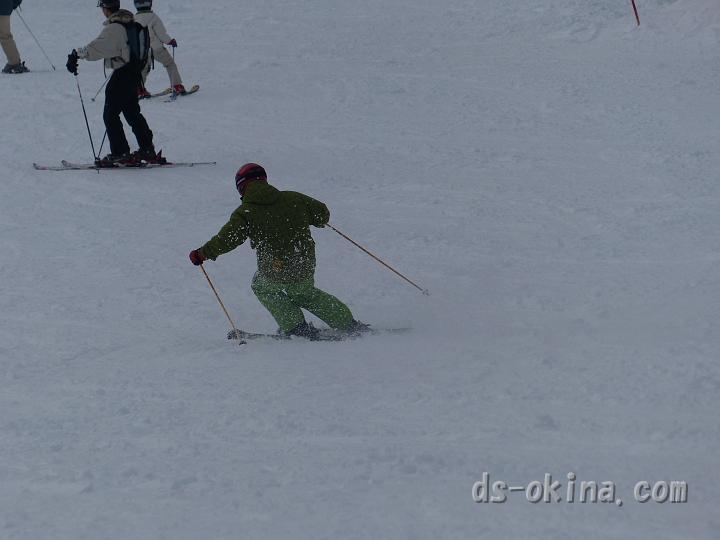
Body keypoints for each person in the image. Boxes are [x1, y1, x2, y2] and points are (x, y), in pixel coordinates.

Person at [189, 163, 367, 340]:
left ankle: (296, 327)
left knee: (262, 287)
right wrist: (312, 218)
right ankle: (347, 323)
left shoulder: (246, 212)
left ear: (242, 187)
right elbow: (322, 214)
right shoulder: (293, 198)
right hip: (304, 260)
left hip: (275, 266)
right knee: (304, 293)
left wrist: (202, 253)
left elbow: (227, 239)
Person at [66, 0, 162, 166]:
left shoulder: (115, 28)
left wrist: (76, 54)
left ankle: (120, 153)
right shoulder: (132, 24)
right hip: (134, 75)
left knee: (110, 115)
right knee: (132, 113)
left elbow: (97, 48)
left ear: (106, 9)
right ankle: (147, 149)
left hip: (122, 75)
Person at [133, 0, 185, 98]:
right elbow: (161, 33)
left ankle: (139, 89)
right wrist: (169, 41)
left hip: (143, 51)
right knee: (169, 64)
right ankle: (177, 85)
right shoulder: (153, 17)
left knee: (143, 69)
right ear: (150, 3)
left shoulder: (134, 19)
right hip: (157, 48)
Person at [0, 0, 27, 73]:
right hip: (5, 8)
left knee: (5, 35)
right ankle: (14, 62)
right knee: (5, 35)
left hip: (3, 8)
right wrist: (14, 4)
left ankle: (14, 63)